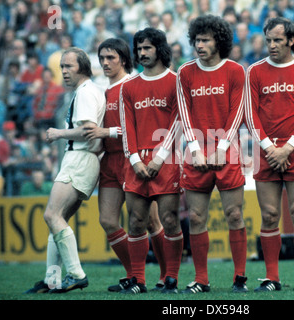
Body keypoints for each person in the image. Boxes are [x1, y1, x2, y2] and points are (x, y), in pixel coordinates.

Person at [82, 37, 167, 293]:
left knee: (150, 222)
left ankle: (166, 276)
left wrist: (105, 132)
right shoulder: (100, 91)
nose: (105, 62)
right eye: (102, 58)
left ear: (123, 59)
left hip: (134, 159)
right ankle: (134, 276)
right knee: (108, 220)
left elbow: (139, 128)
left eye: (111, 58)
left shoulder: (133, 85)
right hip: (109, 161)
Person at [244, 17, 294, 292]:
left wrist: (287, 148)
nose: (272, 45)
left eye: (277, 40)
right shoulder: (254, 71)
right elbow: (250, 115)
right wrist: (269, 148)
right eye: (268, 41)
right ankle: (272, 277)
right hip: (266, 151)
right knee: (270, 215)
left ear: (290, 40)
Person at [24, 47, 106, 294]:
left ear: (81, 66)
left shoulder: (86, 93)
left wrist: (59, 133)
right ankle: (52, 279)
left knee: (52, 215)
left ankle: (76, 274)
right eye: (61, 67)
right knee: (58, 219)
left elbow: (89, 130)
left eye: (68, 66)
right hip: (82, 159)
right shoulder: (86, 91)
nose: (63, 72)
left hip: (80, 158)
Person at [177, 14, 248, 294]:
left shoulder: (235, 71)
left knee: (233, 214)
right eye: (196, 40)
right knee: (195, 217)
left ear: (219, 41)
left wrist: (221, 148)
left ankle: (240, 277)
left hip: (226, 152)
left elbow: (237, 113)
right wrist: (194, 149)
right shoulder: (185, 72)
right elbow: (184, 113)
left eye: (205, 40)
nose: (199, 45)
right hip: (196, 153)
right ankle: (201, 280)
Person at [119, 28, 183, 294]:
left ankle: (171, 277)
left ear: (159, 49)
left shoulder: (176, 81)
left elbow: (178, 122)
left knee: (169, 220)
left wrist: (159, 157)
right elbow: (127, 126)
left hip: (166, 161)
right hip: (136, 161)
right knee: (135, 221)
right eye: (139, 49)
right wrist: (135, 160)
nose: (142, 53)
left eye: (147, 48)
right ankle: (139, 280)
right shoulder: (129, 86)